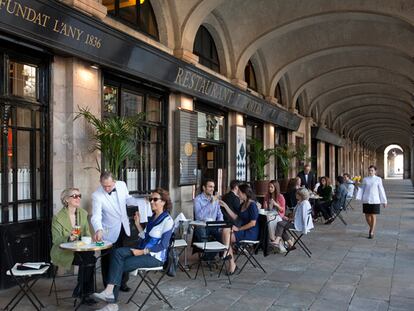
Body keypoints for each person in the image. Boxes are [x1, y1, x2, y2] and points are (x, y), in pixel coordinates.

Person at [93, 188, 174, 310]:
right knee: (117, 253)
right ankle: (109, 292)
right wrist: (137, 225)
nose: (151, 201)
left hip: (155, 257)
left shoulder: (168, 220)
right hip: (142, 251)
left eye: (155, 199)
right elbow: (146, 237)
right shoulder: (153, 218)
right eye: (151, 199)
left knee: (120, 264)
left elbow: (163, 245)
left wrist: (142, 251)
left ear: (163, 202)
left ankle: (112, 303)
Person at [91, 171, 152, 292]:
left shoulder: (122, 185)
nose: (107, 188)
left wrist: (140, 202)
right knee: (108, 258)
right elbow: (96, 216)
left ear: (114, 181)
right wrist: (98, 229)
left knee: (124, 255)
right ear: (100, 183)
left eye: (109, 185)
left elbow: (128, 200)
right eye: (104, 186)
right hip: (109, 231)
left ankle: (123, 282)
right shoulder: (97, 195)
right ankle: (108, 285)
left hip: (124, 227)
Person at [51, 188, 96, 305]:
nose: (78, 198)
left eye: (79, 195)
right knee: (89, 259)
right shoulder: (58, 218)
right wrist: (68, 238)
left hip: (80, 248)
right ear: (66, 200)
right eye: (74, 196)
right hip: (64, 251)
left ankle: (81, 290)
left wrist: (91, 239)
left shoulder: (83, 213)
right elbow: (56, 240)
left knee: (90, 257)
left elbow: (86, 233)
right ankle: (84, 293)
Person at [220, 184, 259, 275]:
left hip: (250, 232)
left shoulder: (252, 205)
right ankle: (230, 261)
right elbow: (236, 217)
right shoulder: (243, 204)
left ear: (244, 193)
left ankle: (228, 257)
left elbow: (253, 223)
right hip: (242, 230)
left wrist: (239, 228)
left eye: (239, 193)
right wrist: (225, 206)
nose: (238, 194)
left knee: (226, 235)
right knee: (225, 231)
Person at [272, 187, 314, 252]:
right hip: (296, 222)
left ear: (301, 195)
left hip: (299, 225)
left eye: (297, 194)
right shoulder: (302, 202)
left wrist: (304, 229)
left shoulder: (304, 204)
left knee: (280, 224)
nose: (295, 195)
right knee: (281, 226)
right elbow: (298, 215)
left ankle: (277, 240)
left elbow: (304, 217)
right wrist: (290, 219)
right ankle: (290, 244)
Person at [356, 165, 387, 239]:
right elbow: (362, 189)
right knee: (367, 216)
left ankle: (371, 231)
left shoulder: (378, 179)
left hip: (375, 199)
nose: (370, 172)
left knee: (373, 215)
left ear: (375, 171)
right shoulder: (365, 179)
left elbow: (381, 190)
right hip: (366, 199)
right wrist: (358, 195)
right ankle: (372, 227)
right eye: (369, 170)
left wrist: (384, 201)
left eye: (372, 170)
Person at [193, 178, 224, 243]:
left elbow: (219, 214)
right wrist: (210, 203)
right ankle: (207, 251)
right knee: (201, 231)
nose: (212, 189)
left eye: (213, 187)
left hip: (214, 226)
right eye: (210, 187)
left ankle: (223, 252)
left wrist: (221, 225)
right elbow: (199, 217)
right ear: (204, 188)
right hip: (203, 226)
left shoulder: (215, 199)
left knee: (224, 234)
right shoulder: (198, 200)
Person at [263, 180, 286, 245]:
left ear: (275, 188)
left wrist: (276, 204)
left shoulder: (280, 197)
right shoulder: (267, 196)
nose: (269, 188)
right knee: (266, 218)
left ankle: (273, 239)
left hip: (278, 215)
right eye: (269, 187)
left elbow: (283, 210)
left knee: (270, 220)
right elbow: (266, 209)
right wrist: (265, 207)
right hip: (269, 214)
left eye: (271, 187)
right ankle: (273, 239)